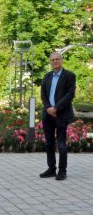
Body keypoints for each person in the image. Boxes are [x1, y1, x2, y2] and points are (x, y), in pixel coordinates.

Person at [39, 52, 76, 181]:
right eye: (52, 60)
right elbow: (43, 94)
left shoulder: (69, 76)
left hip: (61, 115)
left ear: (61, 60)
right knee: (49, 143)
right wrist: (49, 108)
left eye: (57, 59)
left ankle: (62, 171)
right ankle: (51, 169)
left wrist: (56, 108)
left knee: (61, 144)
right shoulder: (47, 76)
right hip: (48, 115)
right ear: (50, 62)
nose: (55, 61)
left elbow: (70, 95)